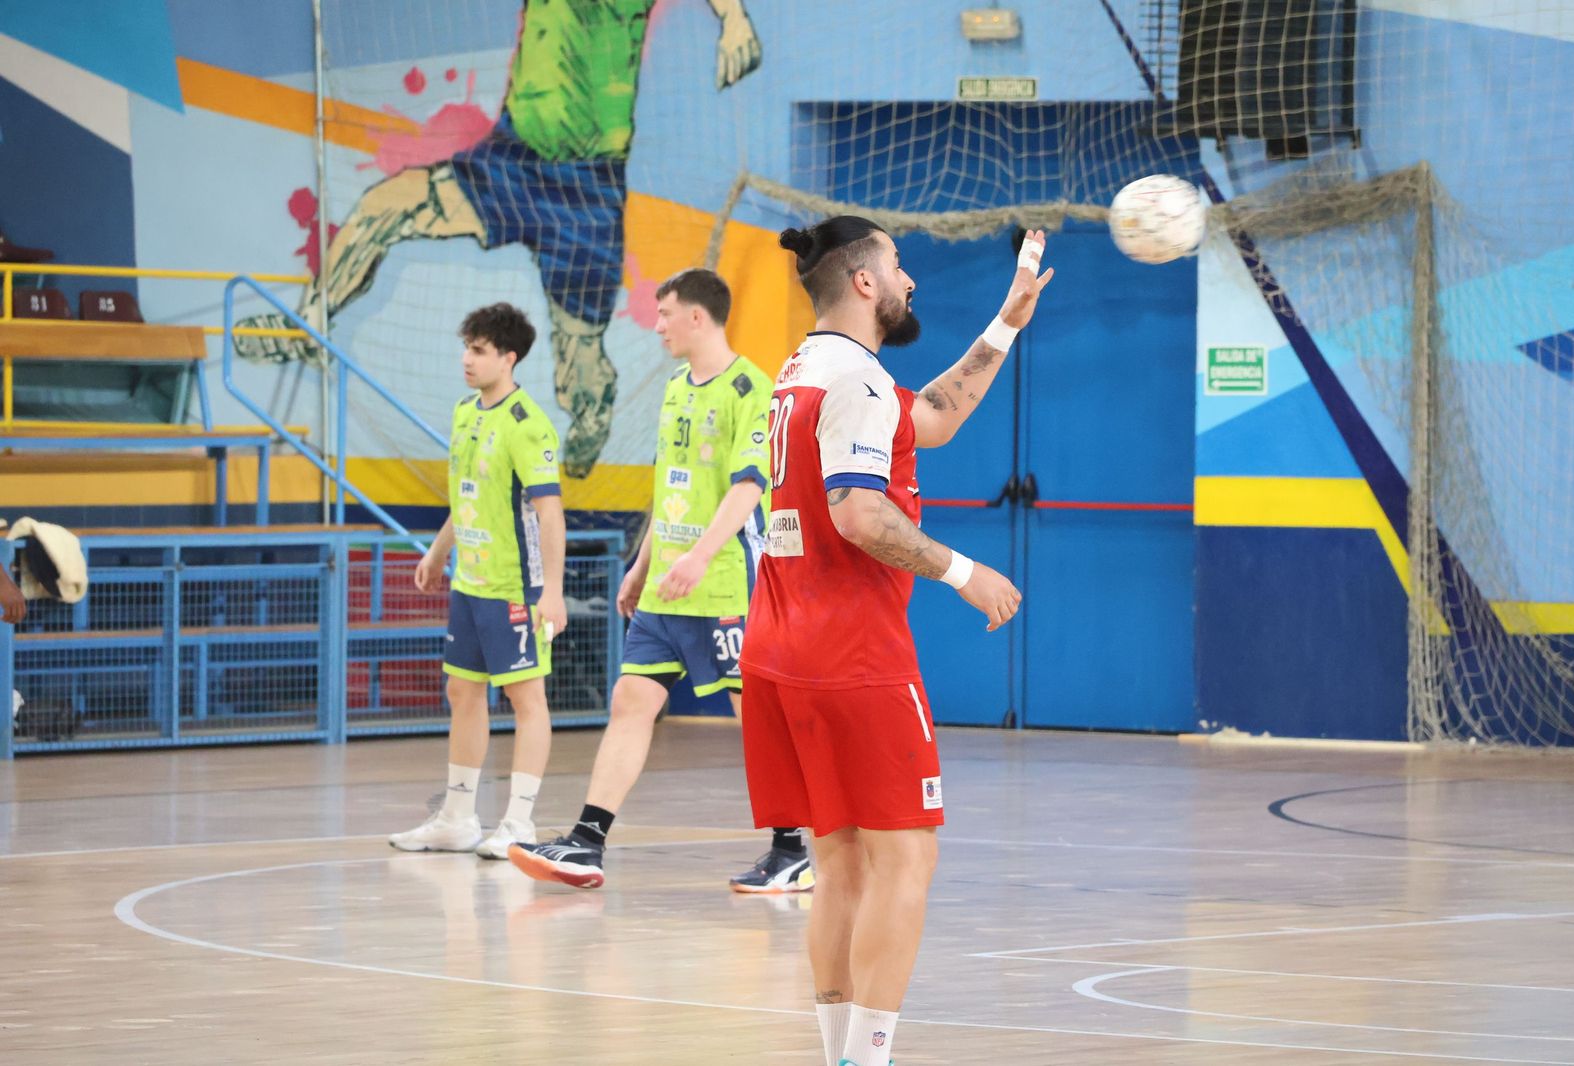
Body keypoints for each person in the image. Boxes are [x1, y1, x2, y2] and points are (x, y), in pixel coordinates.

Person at [739, 217, 1053, 1066]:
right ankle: (868, 1059)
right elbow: (859, 513)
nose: (910, 277)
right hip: (852, 656)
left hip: (780, 646)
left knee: (840, 862)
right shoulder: (860, 383)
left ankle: (842, 1055)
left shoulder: (804, 369)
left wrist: (1006, 322)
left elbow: (936, 418)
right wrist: (963, 572)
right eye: (899, 262)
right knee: (906, 860)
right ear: (866, 281)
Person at [236, 0, 762, 478]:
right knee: (384, 205)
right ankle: (308, 327)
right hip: (510, 159)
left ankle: (589, 418)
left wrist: (734, 19)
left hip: (586, 192)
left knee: (580, 360)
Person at [508, 268, 810, 892]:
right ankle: (588, 841)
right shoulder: (676, 387)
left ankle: (792, 848)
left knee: (753, 715)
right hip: (665, 587)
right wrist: (643, 566)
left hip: (724, 583)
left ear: (698, 317)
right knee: (631, 701)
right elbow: (668, 488)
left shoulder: (751, 387)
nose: (657, 323)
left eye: (665, 312)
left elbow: (748, 486)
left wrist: (699, 557)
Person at [389, 302, 569, 859]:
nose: (467, 359)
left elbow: (550, 513)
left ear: (508, 359)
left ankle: (519, 822)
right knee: (462, 691)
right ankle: (457, 817)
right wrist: (439, 550)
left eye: (479, 350)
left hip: (515, 587)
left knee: (525, 696)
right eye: (466, 347)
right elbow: (465, 493)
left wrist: (553, 591)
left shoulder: (527, 424)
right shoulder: (466, 412)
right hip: (469, 582)